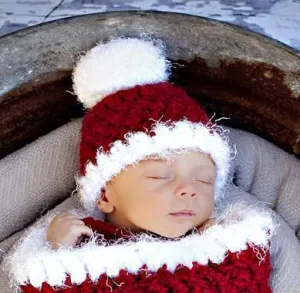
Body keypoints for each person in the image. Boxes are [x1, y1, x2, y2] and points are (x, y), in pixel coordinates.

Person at [4, 37, 275, 293]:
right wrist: (55, 251)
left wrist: (228, 239)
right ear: (106, 195)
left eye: (204, 180)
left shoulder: (229, 249)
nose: (188, 189)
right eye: (160, 176)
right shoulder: (82, 249)